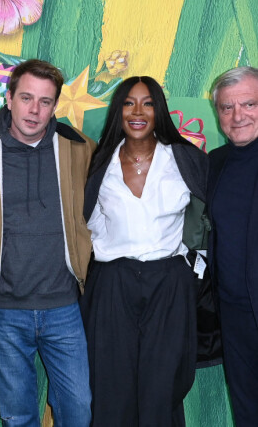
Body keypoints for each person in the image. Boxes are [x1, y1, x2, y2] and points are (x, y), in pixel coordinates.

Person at [0, 59, 93, 427]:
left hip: (64, 305)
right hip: (3, 309)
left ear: (55, 106)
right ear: (9, 97)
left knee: (78, 410)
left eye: (45, 102)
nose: (34, 110)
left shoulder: (80, 149)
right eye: (27, 98)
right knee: (18, 417)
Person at [82, 76, 207, 426]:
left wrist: (194, 271)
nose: (138, 112)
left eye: (148, 103)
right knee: (110, 385)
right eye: (128, 103)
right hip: (112, 283)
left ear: (159, 111)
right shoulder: (98, 163)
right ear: (118, 110)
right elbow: (87, 223)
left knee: (161, 388)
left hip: (168, 283)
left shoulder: (184, 159)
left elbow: (210, 218)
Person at [207, 66, 258, 426]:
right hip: (233, 312)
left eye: (249, 104)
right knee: (246, 408)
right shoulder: (215, 163)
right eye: (227, 108)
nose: (238, 115)